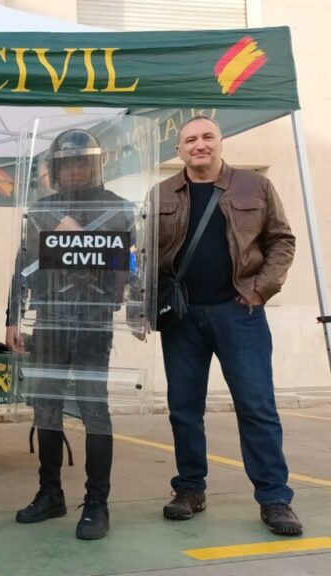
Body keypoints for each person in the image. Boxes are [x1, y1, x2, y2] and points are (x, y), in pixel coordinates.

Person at [157, 116, 302, 536]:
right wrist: (145, 305)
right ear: (180, 150)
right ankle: (189, 489)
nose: (199, 145)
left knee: (257, 407)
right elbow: (143, 251)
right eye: (190, 140)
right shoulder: (162, 192)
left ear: (220, 142)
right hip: (182, 318)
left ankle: (275, 498)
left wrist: (260, 290)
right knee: (184, 409)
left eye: (207, 137)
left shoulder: (254, 186)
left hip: (240, 314)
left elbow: (281, 241)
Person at [6, 128, 134, 540]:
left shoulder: (120, 210)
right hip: (50, 319)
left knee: (94, 410)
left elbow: (133, 266)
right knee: (46, 408)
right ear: (56, 169)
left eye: (82, 162)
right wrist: (13, 317)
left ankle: (97, 502)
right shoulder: (39, 211)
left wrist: (138, 307)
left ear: (95, 166)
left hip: (96, 321)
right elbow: (23, 265)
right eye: (68, 163)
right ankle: (50, 493)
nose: (75, 169)